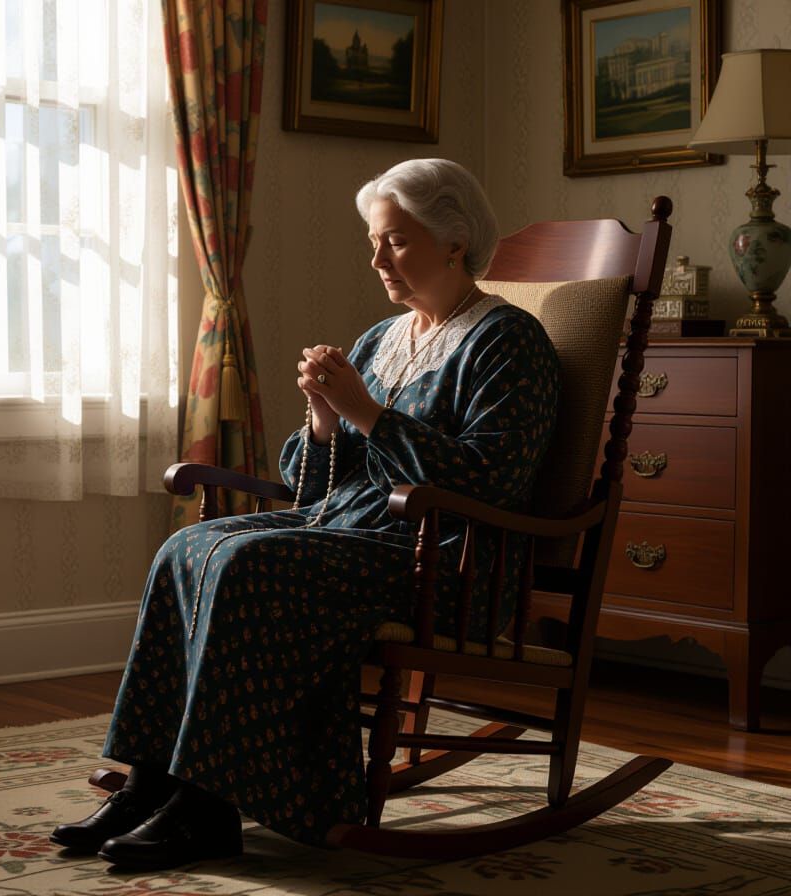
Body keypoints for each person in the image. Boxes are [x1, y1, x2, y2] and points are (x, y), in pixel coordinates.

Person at [50, 158, 560, 869]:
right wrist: (324, 421)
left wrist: (367, 414)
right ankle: (150, 781)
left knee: (252, 563)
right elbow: (307, 480)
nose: (378, 257)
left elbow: (493, 482)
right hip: (349, 532)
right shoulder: (383, 339)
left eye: (398, 241)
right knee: (190, 547)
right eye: (375, 240)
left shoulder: (509, 342)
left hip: (445, 559)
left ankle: (205, 807)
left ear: (455, 240)